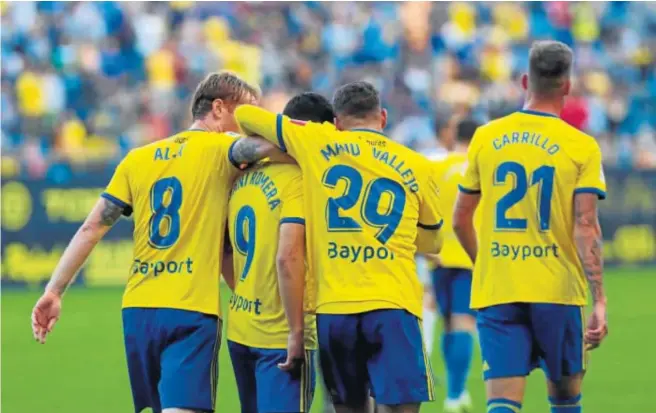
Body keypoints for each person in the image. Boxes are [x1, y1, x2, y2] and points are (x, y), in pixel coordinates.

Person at [31, 72, 261, 413]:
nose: (251, 125)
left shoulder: (138, 158)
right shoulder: (225, 150)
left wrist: (54, 290)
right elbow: (275, 145)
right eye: (248, 113)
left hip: (138, 310)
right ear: (218, 108)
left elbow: (92, 227)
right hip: (190, 308)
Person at [229, 81, 444, 413]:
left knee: (347, 407)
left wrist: (282, 142)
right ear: (383, 117)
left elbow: (244, 114)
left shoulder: (316, 142)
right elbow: (433, 241)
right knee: (401, 408)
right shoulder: (419, 165)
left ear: (339, 122)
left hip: (335, 308)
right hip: (394, 302)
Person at [453, 40, 608, 413]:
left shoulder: (485, 137)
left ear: (525, 81)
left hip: (499, 286)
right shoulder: (581, 146)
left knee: (502, 403)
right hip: (557, 289)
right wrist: (599, 298)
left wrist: (486, 262)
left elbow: (460, 218)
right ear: (567, 87)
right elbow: (585, 223)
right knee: (566, 400)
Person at [225, 92, 335, 413]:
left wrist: (248, 294)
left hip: (241, 326)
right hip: (280, 335)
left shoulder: (245, 175)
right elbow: (287, 258)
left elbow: (224, 251)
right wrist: (296, 331)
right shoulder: (302, 181)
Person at [426, 116, 482, 413]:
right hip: (468, 255)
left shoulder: (436, 167)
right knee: (463, 324)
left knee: (448, 324)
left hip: (438, 258)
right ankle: (456, 394)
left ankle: (453, 390)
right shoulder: (480, 168)